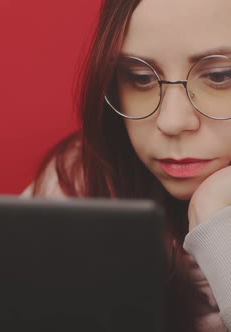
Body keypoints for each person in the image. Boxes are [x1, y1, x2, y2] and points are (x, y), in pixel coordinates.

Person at [23, 0, 231, 331]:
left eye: (220, 76)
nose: (172, 122)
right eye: (141, 78)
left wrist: (218, 223)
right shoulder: (80, 184)